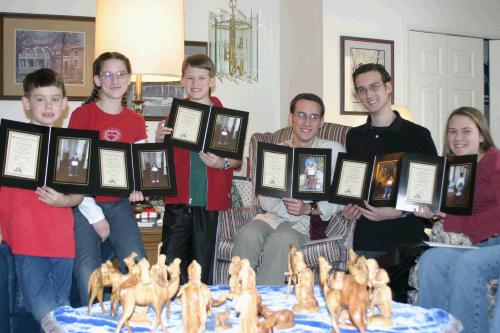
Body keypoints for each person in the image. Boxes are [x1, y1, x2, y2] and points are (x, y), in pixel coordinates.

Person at [231, 93, 361, 285]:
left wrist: (308, 209)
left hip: (306, 223)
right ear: (291, 118)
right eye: (301, 115)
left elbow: (343, 194)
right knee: (247, 233)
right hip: (274, 216)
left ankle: (267, 306)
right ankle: (239, 297)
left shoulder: (333, 151)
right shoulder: (277, 151)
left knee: (282, 239)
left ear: (321, 122)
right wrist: (287, 205)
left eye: (313, 117)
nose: (307, 122)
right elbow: (264, 198)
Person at [0, 68, 84, 332]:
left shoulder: (72, 145)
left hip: (61, 237)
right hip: (26, 234)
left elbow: (78, 194)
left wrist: (65, 200)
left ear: (65, 103)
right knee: (43, 306)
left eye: (55, 98)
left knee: (61, 303)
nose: (48, 105)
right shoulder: (13, 142)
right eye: (39, 98)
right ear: (26, 103)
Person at [155, 54, 241, 284]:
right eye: (190, 78)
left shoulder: (225, 117)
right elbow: (161, 162)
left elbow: (237, 159)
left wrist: (221, 163)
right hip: (177, 203)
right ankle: (172, 314)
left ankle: (202, 314)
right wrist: (158, 140)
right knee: (171, 267)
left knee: (202, 269)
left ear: (212, 81)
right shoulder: (173, 116)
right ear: (182, 81)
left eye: (201, 78)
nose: (195, 83)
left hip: (208, 204)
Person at [68, 52, 146, 306]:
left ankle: (132, 318)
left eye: (121, 74)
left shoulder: (135, 120)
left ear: (129, 79)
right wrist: (95, 215)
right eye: (108, 74)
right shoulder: (82, 116)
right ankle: (89, 322)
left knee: (137, 265)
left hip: (120, 205)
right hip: (84, 205)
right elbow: (73, 172)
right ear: (97, 80)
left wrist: (138, 187)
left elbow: (139, 168)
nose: (115, 80)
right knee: (88, 270)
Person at [415, 107, 500, 333]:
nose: (458, 138)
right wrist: (434, 213)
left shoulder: (495, 161)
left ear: (481, 135)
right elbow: (458, 211)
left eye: (466, 131)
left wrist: (457, 223)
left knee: (468, 265)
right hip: (478, 243)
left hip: (495, 243)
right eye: (452, 132)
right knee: (431, 260)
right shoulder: (457, 167)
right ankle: (432, 329)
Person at [346, 63, 438, 260]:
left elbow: (430, 197)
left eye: (374, 86)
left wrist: (399, 212)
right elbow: (353, 186)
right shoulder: (354, 136)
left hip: (406, 242)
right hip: (365, 243)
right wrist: (349, 207)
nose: (368, 94)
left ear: (388, 87)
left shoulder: (418, 135)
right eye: (362, 90)